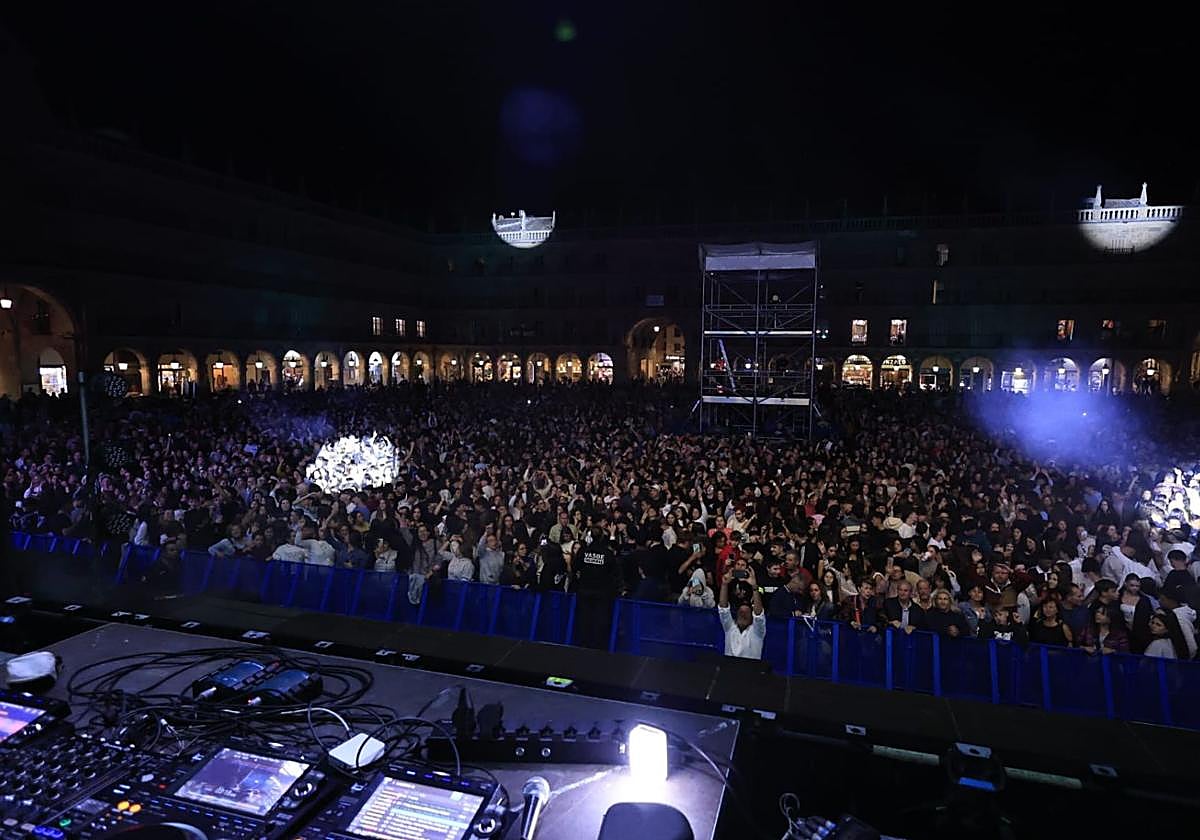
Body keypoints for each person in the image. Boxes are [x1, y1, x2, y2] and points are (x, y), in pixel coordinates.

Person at [718, 566, 765, 659]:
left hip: (750, 671)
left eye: (746, 614)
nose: (743, 615)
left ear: (751, 618)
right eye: (741, 613)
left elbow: (759, 615)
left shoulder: (757, 632)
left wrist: (754, 587)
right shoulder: (729, 628)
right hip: (729, 669)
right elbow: (723, 609)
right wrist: (724, 584)